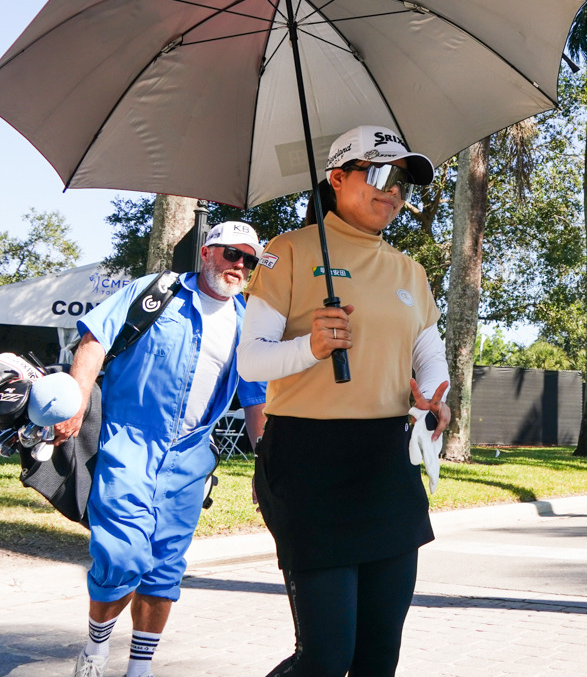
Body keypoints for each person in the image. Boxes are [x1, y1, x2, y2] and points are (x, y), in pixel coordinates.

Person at [237, 125, 450, 677]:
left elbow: (429, 354)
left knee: (379, 657)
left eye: (402, 181)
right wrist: (310, 346)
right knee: (326, 659)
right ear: (336, 178)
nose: (393, 191)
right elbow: (251, 361)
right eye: (379, 174)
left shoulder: (411, 271)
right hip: (308, 460)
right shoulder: (287, 252)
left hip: (387, 461)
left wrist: (434, 398)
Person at [54, 221, 268, 677]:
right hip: (129, 440)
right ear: (207, 253)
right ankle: (94, 650)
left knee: (164, 567)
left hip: (191, 457)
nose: (240, 267)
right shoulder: (157, 292)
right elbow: (95, 338)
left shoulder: (248, 321)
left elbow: (255, 398)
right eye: (233, 254)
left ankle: (140, 668)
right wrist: (74, 398)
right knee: (122, 553)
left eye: (249, 261)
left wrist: (265, 466)